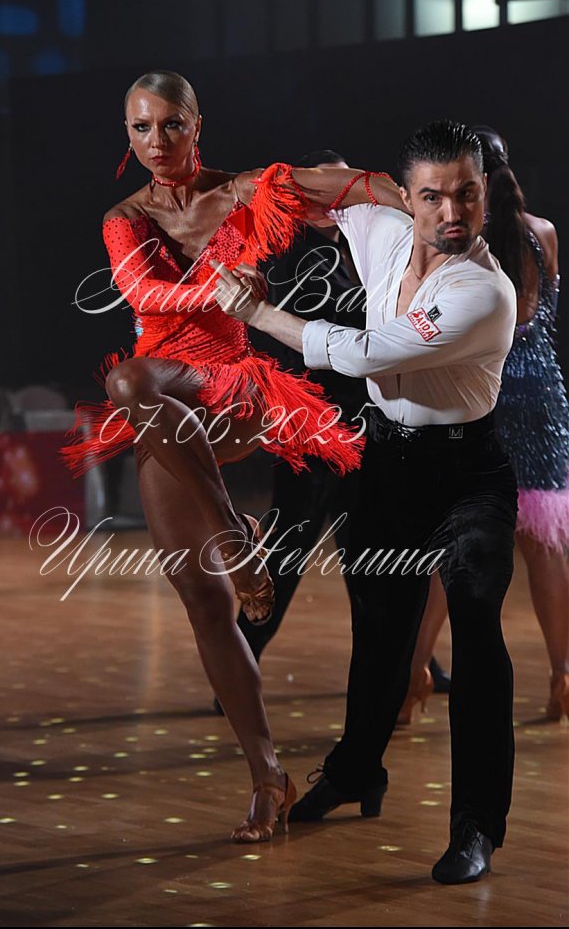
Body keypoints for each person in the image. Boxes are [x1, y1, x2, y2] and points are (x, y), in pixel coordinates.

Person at [60, 70, 401, 842]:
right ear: (127, 135)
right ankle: (267, 775)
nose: (155, 141)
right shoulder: (124, 218)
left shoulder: (242, 190)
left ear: (197, 123)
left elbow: (333, 183)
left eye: (169, 125)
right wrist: (220, 290)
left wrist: (404, 196)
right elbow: (144, 295)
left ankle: (236, 538)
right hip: (166, 406)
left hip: (233, 384)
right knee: (205, 605)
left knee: (125, 379)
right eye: (140, 128)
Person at [213, 120, 518, 883]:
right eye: (433, 196)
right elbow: (321, 191)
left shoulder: (485, 291)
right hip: (387, 462)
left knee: (477, 626)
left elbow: (365, 352)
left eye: (467, 194)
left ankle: (476, 825)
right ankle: (356, 772)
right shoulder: (382, 228)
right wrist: (234, 190)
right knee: (378, 630)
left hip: (468, 473)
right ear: (405, 197)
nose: (452, 211)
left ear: (484, 193)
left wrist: (255, 313)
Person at [403, 126, 569, 722]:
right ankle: (563, 675)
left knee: (456, 544)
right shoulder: (542, 232)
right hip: (542, 398)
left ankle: (412, 676)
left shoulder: (462, 242)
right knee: (546, 549)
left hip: (487, 394)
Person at [232, 148, 368, 679]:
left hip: (366, 424)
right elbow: (279, 336)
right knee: (286, 554)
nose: (335, 200)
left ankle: (414, 665)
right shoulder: (287, 252)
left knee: (374, 557)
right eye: (323, 189)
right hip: (307, 425)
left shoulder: (366, 247)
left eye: (343, 189)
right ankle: (238, 665)